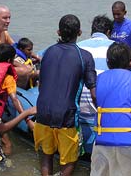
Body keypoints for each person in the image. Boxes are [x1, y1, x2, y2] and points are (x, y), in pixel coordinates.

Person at [34, 14, 97, 176]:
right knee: (70, 158)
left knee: (47, 155)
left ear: (58, 32)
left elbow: (42, 84)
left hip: (42, 113)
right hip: (66, 116)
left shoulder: (47, 53)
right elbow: (94, 91)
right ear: (80, 33)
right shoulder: (85, 56)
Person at [90, 42, 131, 176]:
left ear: (108, 63)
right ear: (130, 62)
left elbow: (96, 99)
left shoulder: (98, 80)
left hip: (103, 140)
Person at [0, 43, 35, 155]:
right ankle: (5, 169)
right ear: (10, 59)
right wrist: (28, 119)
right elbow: (14, 99)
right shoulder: (8, 77)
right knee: (7, 143)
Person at [77, 14, 114, 120]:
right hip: (103, 110)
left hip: (78, 108)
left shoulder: (77, 46)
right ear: (108, 32)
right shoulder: (116, 48)